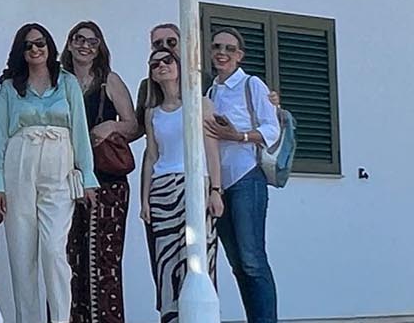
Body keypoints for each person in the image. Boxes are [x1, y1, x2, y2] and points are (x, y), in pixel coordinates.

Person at [0, 23, 96, 323]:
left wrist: (88, 176)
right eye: (28, 46)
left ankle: (61, 318)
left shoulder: (67, 82)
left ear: (49, 46)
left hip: (59, 166)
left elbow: (80, 132)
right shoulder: (10, 87)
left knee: (53, 251)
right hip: (19, 164)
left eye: (40, 43)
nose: (35, 49)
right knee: (22, 255)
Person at [62, 20, 139, 323]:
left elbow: (133, 125)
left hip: (107, 181)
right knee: (70, 259)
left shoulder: (109, 81)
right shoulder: (60, 80)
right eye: (79, 39)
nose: (85, 46)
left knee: (104, 261)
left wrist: (110, 126)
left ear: (99, 48)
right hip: (68, 178)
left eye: (92, 42)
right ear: (70, 44)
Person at [140, 47, 222, 323]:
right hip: (162, 188)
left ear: (178, 66)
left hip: (195, 184)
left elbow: (211, 149)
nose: (161, 66)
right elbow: (152, 156)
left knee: (200, 255)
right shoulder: (152, 113)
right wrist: (144, 200)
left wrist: (215, 190)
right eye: (155, 64)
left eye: (167, 60)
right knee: (166, 261)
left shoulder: (200, 104)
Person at [204, 29, 281, 323]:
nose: (222, 52)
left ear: (239, 55)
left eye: (229, 48)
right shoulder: (210, 92)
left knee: (252, 260)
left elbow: (272, 128)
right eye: (217, 47)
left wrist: (239, 136)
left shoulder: (252, 84)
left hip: (247, 177)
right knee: (237, 263)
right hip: (220, 185)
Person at [133, 23, 181, 133]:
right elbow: (140, 127)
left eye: (171, 42)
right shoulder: (147, 86)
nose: (165, 46)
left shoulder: (202, 80)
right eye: (158, 44)